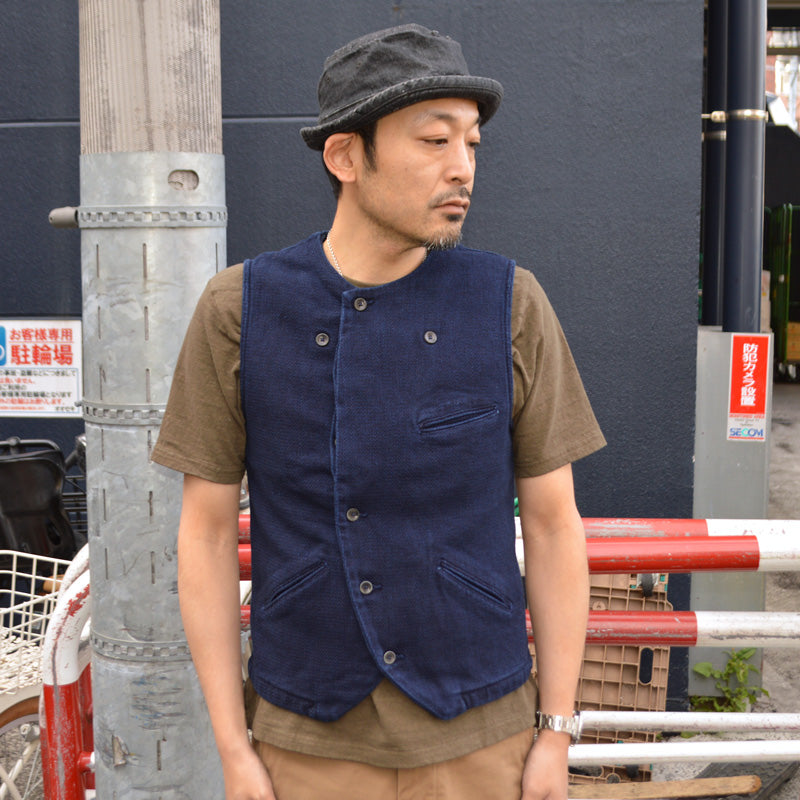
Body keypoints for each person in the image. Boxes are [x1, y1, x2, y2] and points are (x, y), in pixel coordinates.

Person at [153, 23, 605, 800]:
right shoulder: (240, 309)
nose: (462, 167)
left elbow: (555, 524)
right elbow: (205, 534)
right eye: (434, 140)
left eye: (472, 143)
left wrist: (556, 732)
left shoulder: (509, 302)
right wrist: (232, 746)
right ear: (345, 156)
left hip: (482, 732)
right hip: (304, 736)